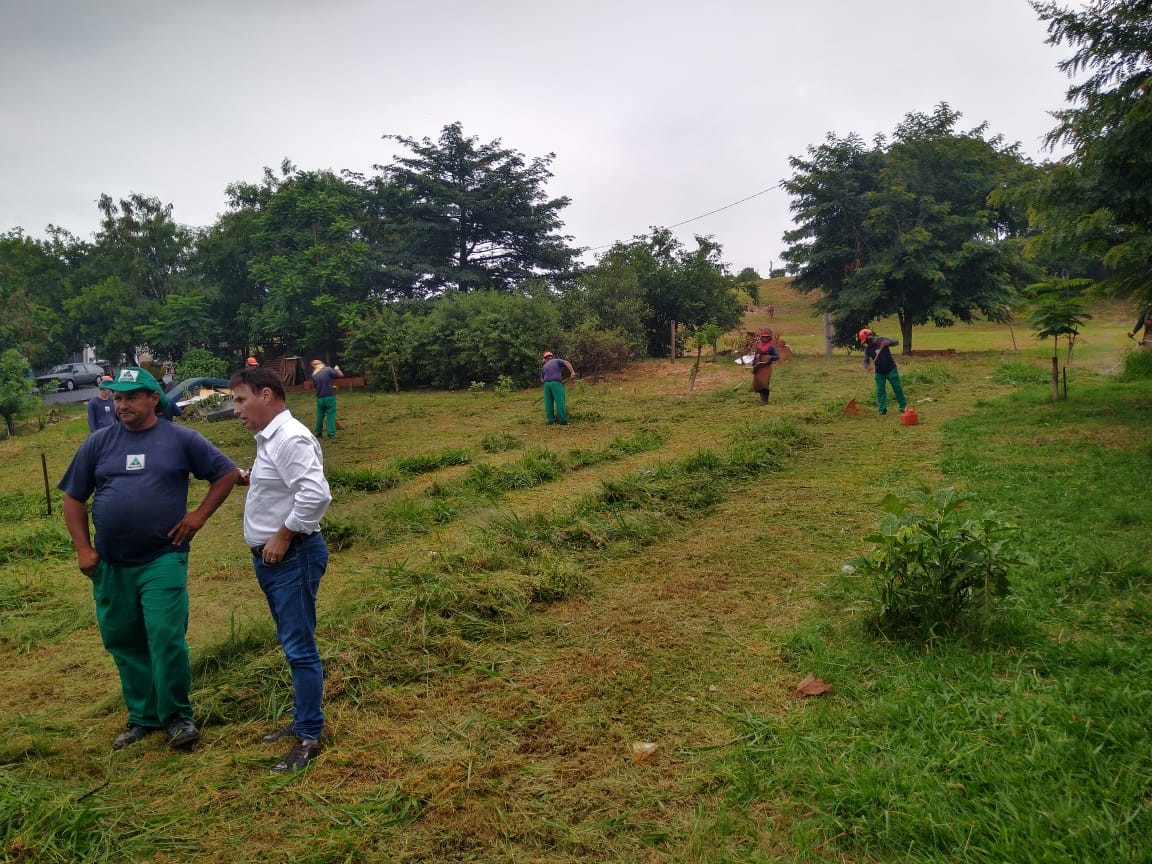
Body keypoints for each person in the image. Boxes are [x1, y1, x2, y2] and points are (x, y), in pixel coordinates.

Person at [58, 367, 238, 751]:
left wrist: (198, 516)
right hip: (111, 562)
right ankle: (143, 717)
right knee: (124, 639)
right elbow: (73, 498)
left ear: (153, 398)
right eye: (118, 398)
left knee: (165, 635)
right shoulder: (98, 444)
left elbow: (225, 473)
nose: (122, 404)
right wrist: (83, 549)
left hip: (162, 557)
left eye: (132, 397)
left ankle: (176, 716)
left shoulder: (181, 439)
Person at [229, 366, 333, 772]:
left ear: (267, 395)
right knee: (293, 645)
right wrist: (252, 479)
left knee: (299, 648)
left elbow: (315, 495)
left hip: (292, 557)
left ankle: (309, 735)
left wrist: (283, 535)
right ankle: (302, 721)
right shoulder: (269, 440)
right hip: (276, 561)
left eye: (241, 399)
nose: (235, 409)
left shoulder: (289, 437)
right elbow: (285, 484)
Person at [859, 328, 907, 416]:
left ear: (870, 337)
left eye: (867, 341)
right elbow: (866, 360)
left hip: (891, 369)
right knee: (880, 391)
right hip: (879, 372)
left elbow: (896, 342)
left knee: (897, 388)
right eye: (865, 342)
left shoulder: (882, 340)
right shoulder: (868, 349)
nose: (867, 343)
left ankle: (903, 408)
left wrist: (889, 343)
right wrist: (867, 366)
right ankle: (882, 410)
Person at [310, 359, 343, 440]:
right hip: (329, 398)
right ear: (321, 364)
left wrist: (331, 386)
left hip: (320, 399)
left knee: (320, 416)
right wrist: (337, 369)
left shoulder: (314, 375)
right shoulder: (327, 370)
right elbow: (340, 375)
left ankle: (318, 433)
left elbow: (317, 387)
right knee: (330, 415)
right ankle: (331, 434)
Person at [540, 351, 576, 425]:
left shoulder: (544, 366)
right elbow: (567, 363)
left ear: (545, 359)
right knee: (560, 401)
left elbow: (542, 380)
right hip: (556, 384)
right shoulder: (556, 360)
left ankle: (550, 420)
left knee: (548, 403)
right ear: (552, 356)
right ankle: (563, 420)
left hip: (547, 385)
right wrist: (572, 372)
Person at [750, 328, 780, 404]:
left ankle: (765, 400)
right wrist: (753, 365)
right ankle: (762, 399)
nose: (765, 338)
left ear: (769, 337)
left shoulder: (771, 346)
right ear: (761, 337)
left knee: (764, 383)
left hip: (766, 367)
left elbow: (777, 356)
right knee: (758, 383)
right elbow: (755, 356)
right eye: (764, 336)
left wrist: (771, 357)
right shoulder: (759, 345)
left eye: (767, 336)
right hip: (758, 367)